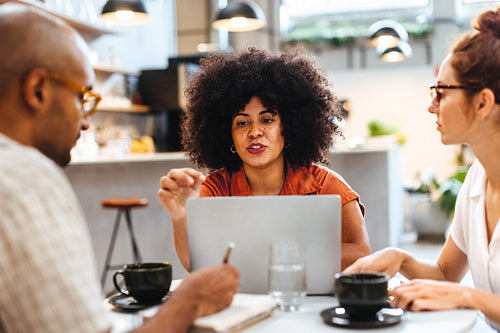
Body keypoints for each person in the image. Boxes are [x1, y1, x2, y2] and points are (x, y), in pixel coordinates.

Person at [0, 4, 239, 333]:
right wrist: (190, 300)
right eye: (82, 96)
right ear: (38, 90)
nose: (86, 123)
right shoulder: (23, 176)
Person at [344, 7, 500, 330]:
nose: (431, 105)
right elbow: (445, 275)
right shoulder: (476, 181)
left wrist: (470, 298)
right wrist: (400, 258)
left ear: (483, 103)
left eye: (441, 93)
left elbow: (457, 291)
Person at [158, 48, 371, 271]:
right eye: (242, 123)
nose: (255, 132)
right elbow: (197, 265)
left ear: (287, 127)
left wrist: (277, 253)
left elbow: (361, 253)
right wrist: (180, 218)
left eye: (267, 120)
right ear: (226, 133)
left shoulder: (325, 184)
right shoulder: (215, 188)